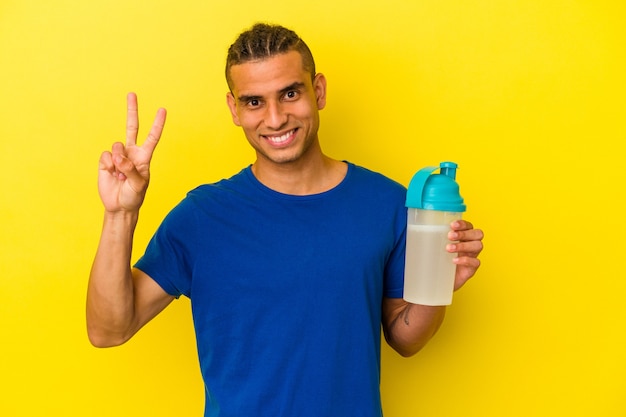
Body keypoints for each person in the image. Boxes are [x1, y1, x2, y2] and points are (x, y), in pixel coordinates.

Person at [87, 23, 484, 417]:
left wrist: (436, 286)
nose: (275, 119)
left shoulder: (387, 203)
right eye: (254, 102)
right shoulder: (201, 216)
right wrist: (119, 214)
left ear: (320, 91)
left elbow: (405, 339)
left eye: (290, 93)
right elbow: (109, 330)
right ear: (234, 109)